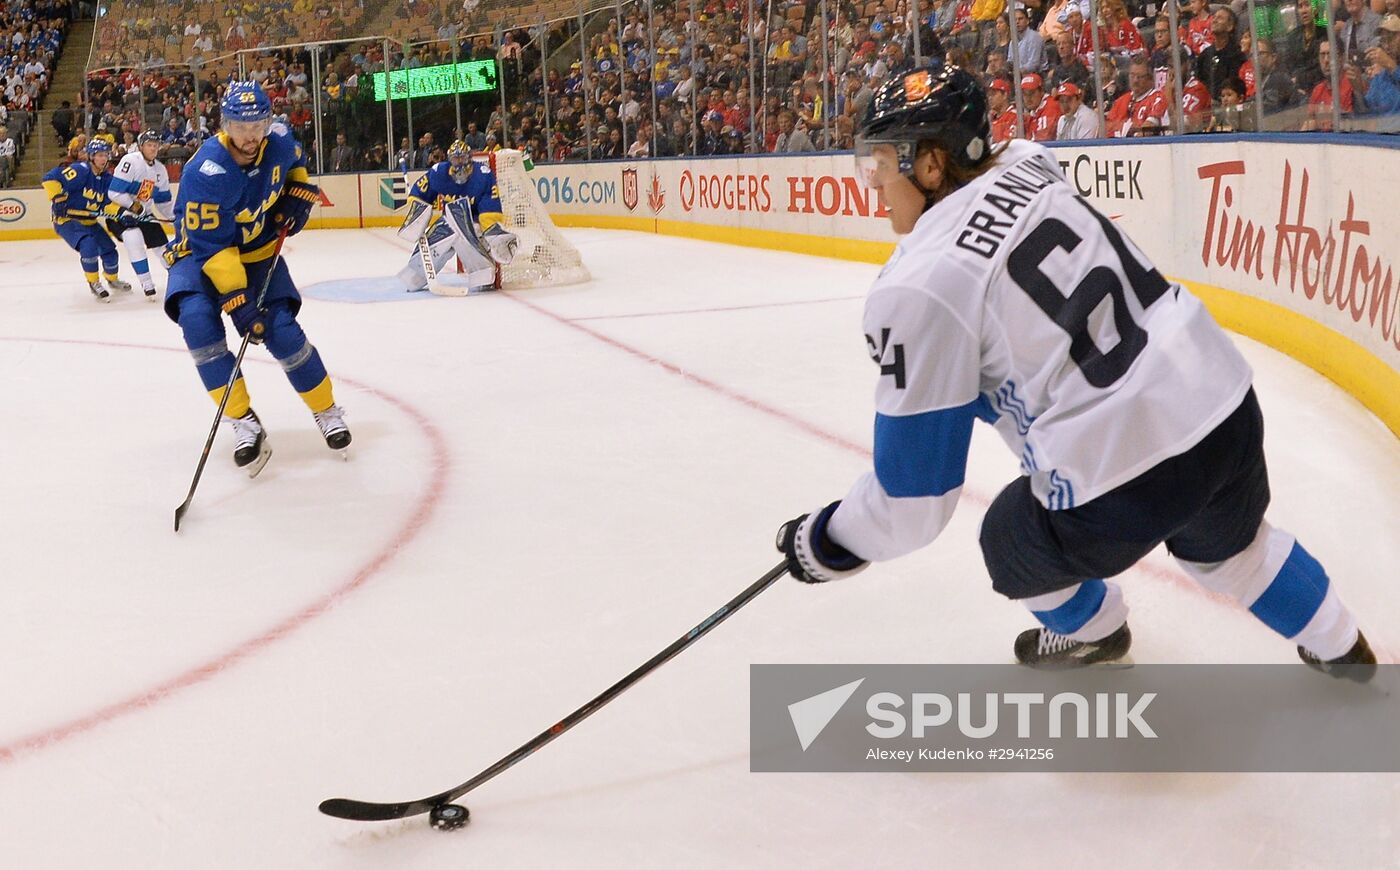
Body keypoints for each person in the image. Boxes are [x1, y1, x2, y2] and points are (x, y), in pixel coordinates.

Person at [774, 64, 1375, 677]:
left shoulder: (918, 287)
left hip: (1122, 473)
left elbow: (913, 502)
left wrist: (828, 540)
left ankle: (1097, 631)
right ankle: (1343, 644)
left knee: (1011, 538)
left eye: (879, 162)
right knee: (1233, 553)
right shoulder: (1031, 160)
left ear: (931, 165)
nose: (872, 182)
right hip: (1220, 400)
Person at [163, 81, 350, 474]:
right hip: (199, 255)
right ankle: (242, 420)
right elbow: (212, 249)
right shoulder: (205, 171)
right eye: (240, 126)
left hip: (258, 253)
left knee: (282, 333)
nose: (250, 136)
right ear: (225, 124)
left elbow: (296, 161)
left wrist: (300, 191)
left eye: (257, 124)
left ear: (268, 121)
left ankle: (327, 410)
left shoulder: (279, 138)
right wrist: (238, 301)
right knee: (198, 323)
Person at [395, 139, 518, 295]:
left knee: (460, 221)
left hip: (475, 224)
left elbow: (489, 212)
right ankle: (415, 275)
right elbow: (419, 194)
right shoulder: (439, 172)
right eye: (455, 159)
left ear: (469, 158)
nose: (459, 163)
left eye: (462, 158)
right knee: (442, 233)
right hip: (449, 222)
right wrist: (417, 216)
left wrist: (493, 235)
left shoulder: (483, 175)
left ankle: (482, 273)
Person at [42, 139, 131, 301]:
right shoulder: (80, 170)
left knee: (109, 249)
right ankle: (94, 282)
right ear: (91, 157)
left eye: (106, 155)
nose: (104, 159)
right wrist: (58, 197)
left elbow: (106, 205)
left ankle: (112, 279)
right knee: (88, 245)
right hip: (67, 220)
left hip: (89, 221)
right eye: (99, 155)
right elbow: (49, 178)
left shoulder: (107, 180)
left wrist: (123, 213)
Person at [106, 130, 173, 301]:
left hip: (144, 214)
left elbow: (164, 202)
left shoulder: (160, 169)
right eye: (149, 145)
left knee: (162, 247)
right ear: (141, 146)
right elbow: (114, 193)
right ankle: (147, 284)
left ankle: (179, 278)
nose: (153, 149)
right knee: (133, 238)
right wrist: (132, 206)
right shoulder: (130, 161)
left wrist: (175, 218)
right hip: (120, 214)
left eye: (156, 145)